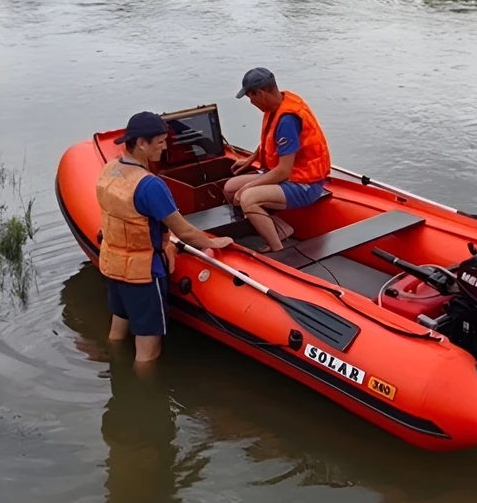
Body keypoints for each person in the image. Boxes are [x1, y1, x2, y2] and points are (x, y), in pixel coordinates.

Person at [96, 111, 232, 368]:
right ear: (140, 143)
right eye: (159, 142)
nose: (165, 146)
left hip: (113, 263)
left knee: (117, 328)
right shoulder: (150, 185)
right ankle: (145, 396)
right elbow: (185, 232)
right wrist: (214, 243)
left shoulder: (110, 169)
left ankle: (112, 367)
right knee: (148, 348)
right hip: (143, 272)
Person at [222, 67, 332, 252]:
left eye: (251, 97)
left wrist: (248, 188)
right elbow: (271, 139)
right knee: (230, 189)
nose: (251, 102)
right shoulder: (279, 104)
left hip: (304, 183)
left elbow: (283, 171)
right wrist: (251, 159)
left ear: (261, 94)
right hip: (288, 176)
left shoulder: (287, 120)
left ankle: (277, 248)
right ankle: (281, 229)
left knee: (247, 197)